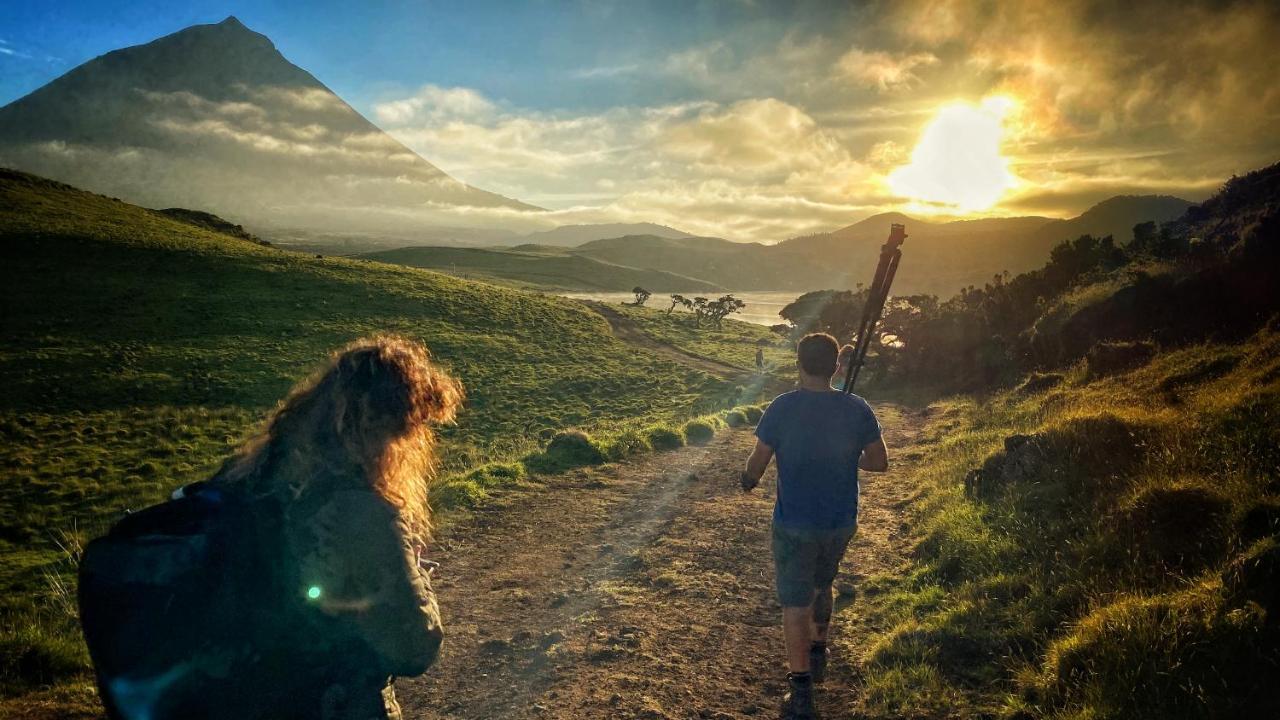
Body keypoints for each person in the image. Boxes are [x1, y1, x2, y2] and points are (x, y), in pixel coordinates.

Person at [211, 335, 464, 719]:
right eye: (412, 435)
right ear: (386, 431)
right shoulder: (360, 510)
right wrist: (419, 581)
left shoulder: (245, 476)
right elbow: (413, 647)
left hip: (237, 697)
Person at [739, 333, 888, 720]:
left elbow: (759, 459)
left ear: (799, 364)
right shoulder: (857, 408)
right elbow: (878, 462)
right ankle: (819, 648)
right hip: (840, 520)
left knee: (794, 601)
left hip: (794, 522)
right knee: (824, 584)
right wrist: (842, 457)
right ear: (837, 366)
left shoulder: (782, 407)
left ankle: (801, 688)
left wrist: (748, 480)